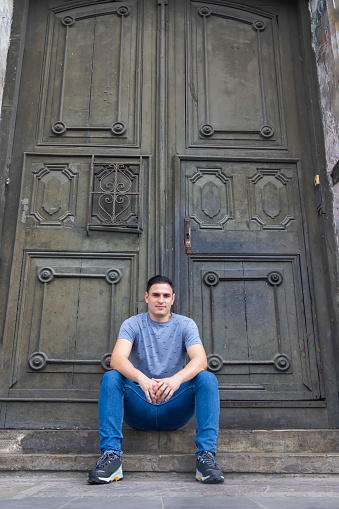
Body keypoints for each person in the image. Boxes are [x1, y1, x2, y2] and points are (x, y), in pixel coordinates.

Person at [88, 275, 224, 484]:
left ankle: (206, 458)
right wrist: (141, 378)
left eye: (166, 295)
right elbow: (116, 359)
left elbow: (200, 360)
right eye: (156, 295)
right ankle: (111, 457)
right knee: (111, 377)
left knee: (206, 378)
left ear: (173, 299)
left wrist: (176, 380)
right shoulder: (132, 324)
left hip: (174, 408)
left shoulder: (185, 324)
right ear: (147, 297)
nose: (161, 299)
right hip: (140, 406)